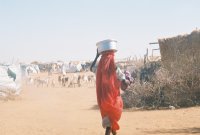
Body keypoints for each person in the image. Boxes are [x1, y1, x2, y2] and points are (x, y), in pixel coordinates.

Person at [90, 49, 130, 135]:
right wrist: (125, 81)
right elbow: (124, 83)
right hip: (114, 101)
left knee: (110, 123)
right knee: (110, 123)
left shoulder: (100, 71)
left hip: (104, 101)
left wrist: (97, 56)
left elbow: (91, 68)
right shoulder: (115, 70)